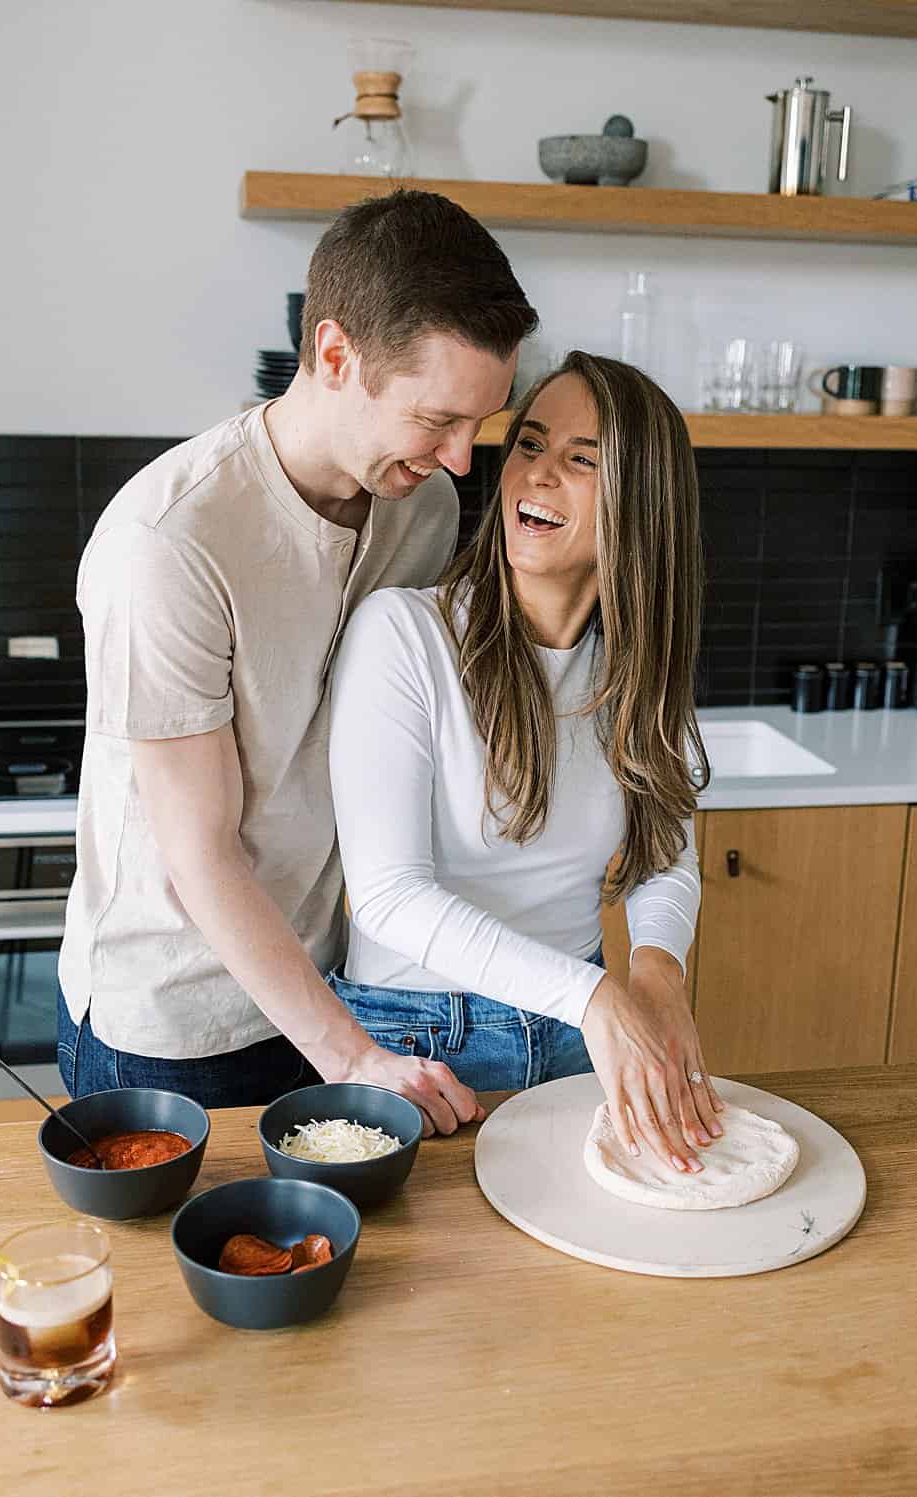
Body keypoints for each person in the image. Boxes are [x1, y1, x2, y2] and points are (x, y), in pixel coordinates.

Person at [56, 189, 535, 1123]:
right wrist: (350, 1054)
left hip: (324, 989)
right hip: (171, 1025)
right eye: (436, 420)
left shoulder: (421, 504)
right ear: (334, 355)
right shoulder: (171, 542)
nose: (464, 459)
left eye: (480, 422)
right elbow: (198, 853)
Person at [328, 351, 722, 1172]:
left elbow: (666, 856)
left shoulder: (637, 671)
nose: (537, 476)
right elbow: (389, 896)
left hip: (583, 1034)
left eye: (581, 460)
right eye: (530, 446)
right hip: (420, 1045)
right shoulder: (404, 635)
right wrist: (599, 998)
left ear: (639, 506)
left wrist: (656, 973)